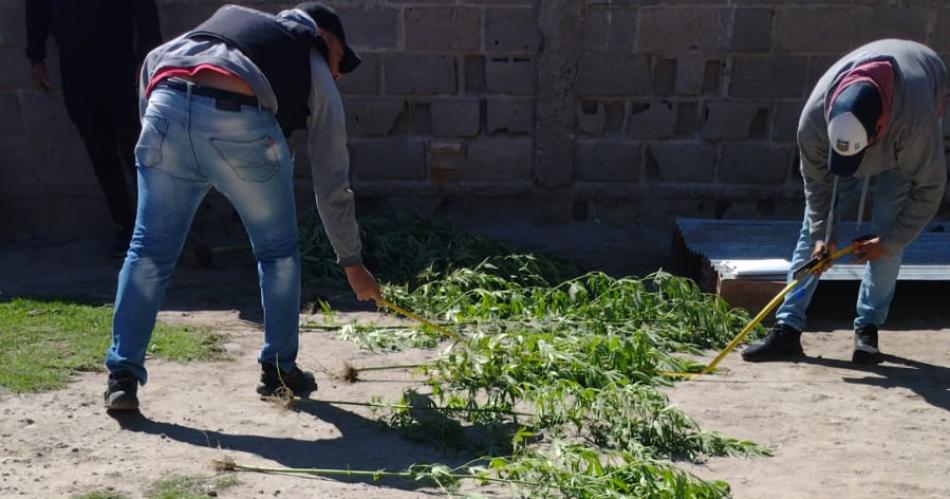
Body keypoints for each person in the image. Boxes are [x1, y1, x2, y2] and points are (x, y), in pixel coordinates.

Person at [103, 3, 382, 411]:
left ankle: (122, 376)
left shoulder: (225, 22)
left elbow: (153, 62)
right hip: (238, 123)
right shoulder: (310, 58)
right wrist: (352, 262)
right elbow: (332, 178)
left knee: (148, 250)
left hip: (163, 107)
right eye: (340, 59)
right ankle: (280, 371)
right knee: (278, 252)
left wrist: (163, 135)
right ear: (325, 39)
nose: (337, 73)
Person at [742, 39, 947, 365]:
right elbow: (818, 189)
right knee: (812, 231)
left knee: (889, 222)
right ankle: (786, 328)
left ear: (878, 126)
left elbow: (930, 189)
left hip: (908, 122)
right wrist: (824, 234)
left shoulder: (915, 124)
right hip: (871, 127)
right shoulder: (814, 122)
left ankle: (867, 329)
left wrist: (888, 242)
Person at [26, 0, 163, 255]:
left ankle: (157, 227)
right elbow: (37, 9)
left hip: (118, 60)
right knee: (99, 151)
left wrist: (147, 55)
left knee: (136, 147)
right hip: (75, 67)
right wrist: (36, 56)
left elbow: (144, 10)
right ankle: (125, 225)